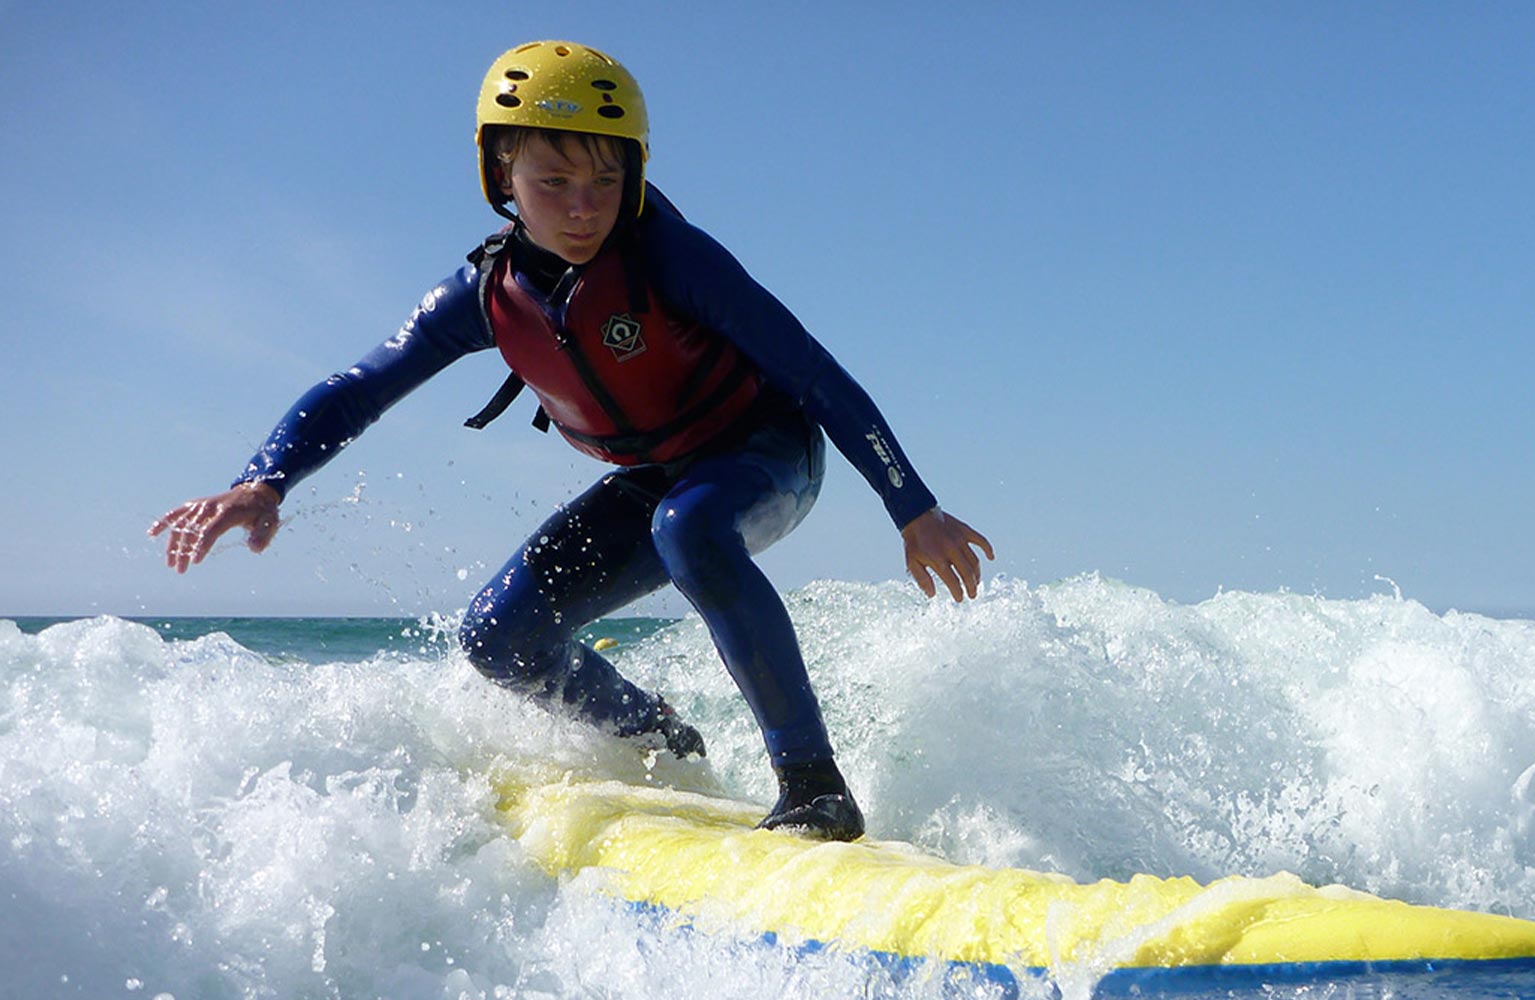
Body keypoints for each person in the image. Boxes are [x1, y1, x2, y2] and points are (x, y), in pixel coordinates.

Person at [149, 40, 992, 842]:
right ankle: (664, 738)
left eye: (606, 178)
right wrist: (265, 481)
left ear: (635, 174)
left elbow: (814, 373)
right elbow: (359, 386)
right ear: (501, 177)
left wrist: (912, 508)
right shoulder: (484, 295)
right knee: (497, 639)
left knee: (690, 528)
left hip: (765, 450)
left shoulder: (674, 259)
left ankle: (814, 787)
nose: (584, 206)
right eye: (553, 181)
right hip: (657, 476)